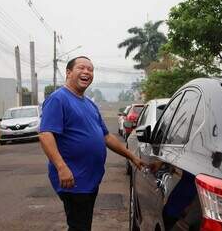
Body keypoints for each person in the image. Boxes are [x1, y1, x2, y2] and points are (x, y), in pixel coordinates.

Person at [39, 56, 145, 231]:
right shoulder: (58, 99)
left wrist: (132, 156)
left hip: (90, 179)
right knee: (79, 226)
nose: (87, 72)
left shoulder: (89, 104)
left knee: (81, 225)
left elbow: (106, 137)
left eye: (90, 69)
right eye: (82, 68)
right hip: (73, 179)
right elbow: (45, 134)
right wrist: (61, 168)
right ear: (68, 72)